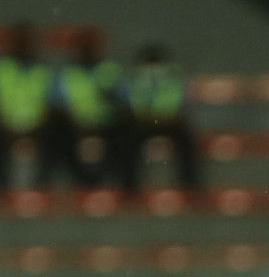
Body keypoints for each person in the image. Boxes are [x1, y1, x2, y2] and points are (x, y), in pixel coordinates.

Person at [51, 27, 124, 186]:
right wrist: (79, 122)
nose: (87, 50)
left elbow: (121, 102)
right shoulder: (67, 73)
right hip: (75, 126)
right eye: (84, 46)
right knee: (57, 136)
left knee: (124, 137)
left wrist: (98, 123)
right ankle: (71, 182)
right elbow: (57, 104)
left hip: (104, 126)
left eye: (90, 46)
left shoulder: (109, 70)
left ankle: (122, 184)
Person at [122, 43, 198, 190]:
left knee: (186, 139)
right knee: (127, 140)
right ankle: (129, 185)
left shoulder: (174, 79)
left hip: (169, 124)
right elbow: (129, 108)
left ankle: (189, 184)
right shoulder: (134, 79)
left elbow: (184, 109)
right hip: (144, 124)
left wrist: (168, 119)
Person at [0, 22, 57, 190]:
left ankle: (43, 189)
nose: (23, 46)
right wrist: (9, 129)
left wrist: (32, 130)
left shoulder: (44, 70)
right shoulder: (3, 69)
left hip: (37, 131)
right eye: (19, 41)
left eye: (27, 41)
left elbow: (54, 105)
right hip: (5, 131)